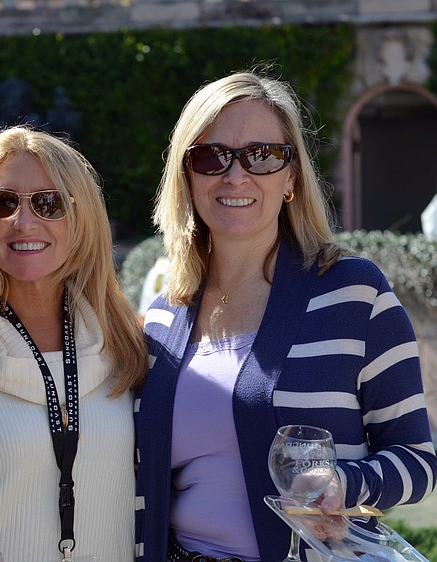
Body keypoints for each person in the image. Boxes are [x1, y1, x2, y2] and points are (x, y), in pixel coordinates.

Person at [134, 70, 437, 562]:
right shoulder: (163, 316)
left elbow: (418, 462)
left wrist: (343, 483)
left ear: (291, 175)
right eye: (211, 157)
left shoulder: (354, 294)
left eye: (262, 155)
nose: (235, 175)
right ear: (187, 177)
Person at [0, 126, 148, 562]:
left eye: (48, 203)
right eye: (4, 202)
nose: (24, 221)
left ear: (82, 216)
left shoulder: (126, 342)